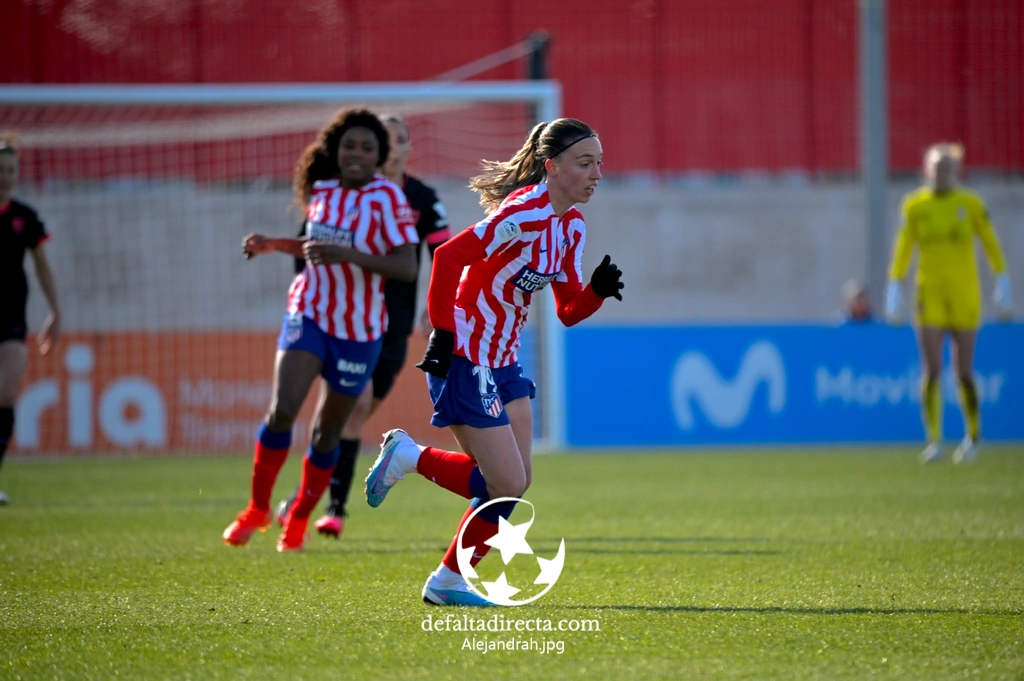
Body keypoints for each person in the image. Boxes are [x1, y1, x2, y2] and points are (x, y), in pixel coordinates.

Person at [362, 118, 624, 605]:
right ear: (552, 167)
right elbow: (446, 258)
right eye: (585, 163)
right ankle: (443, 572)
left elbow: (567, 312)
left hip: (503, 359)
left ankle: (416, 475)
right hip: (465, 352)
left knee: (514, 484)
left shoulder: (570, 227)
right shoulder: (523, 212)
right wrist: (443, 332)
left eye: (599, 164)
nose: (596, 175)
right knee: (505, 482)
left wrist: (597, 293)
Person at [222, 108, 420, 552]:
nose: (357, 153)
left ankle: (298, 518)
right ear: (336, 149)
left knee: (327, 433)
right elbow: (316, 249)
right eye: (350, 145)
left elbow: (406, 266)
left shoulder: (389, 200)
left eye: (368, 148)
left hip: (359, 330)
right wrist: (274, 245)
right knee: (283, 409)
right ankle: (256, 509)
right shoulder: (323, 191)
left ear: (378, 156)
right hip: (309, 313)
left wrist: (347, 256)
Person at [276, 113, 452, 539]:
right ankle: (333, 509)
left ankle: (304, 498)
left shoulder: (420, 197)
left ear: (404, 150)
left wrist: (438, 307)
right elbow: (307, 247)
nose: (390, 148)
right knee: (350, 412)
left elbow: (443, 253)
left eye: (398, 140)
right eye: (383, 140)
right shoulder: (336, 192)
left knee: (342, 421)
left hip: (392, 328)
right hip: (342, 322)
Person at [884, 142, 1013, 464]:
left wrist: (1003, 278)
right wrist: (894, 285)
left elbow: (990, 242)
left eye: (947, 168)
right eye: (936, 168)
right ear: (926, 170)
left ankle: (974, 435)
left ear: (957, 171)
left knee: (964, 371)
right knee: (931, 369)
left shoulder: (969, 204)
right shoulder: (914, 205)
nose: (941, 174)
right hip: (929, 295)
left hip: (965, 295)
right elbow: (904, 247)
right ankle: (934, 440)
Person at [0, 134, 61, 506]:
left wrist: (55, 309)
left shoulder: (25, 218)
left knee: (5, 395)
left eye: (10, 170)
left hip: (11, 319)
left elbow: (42, 267)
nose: (5, 176)